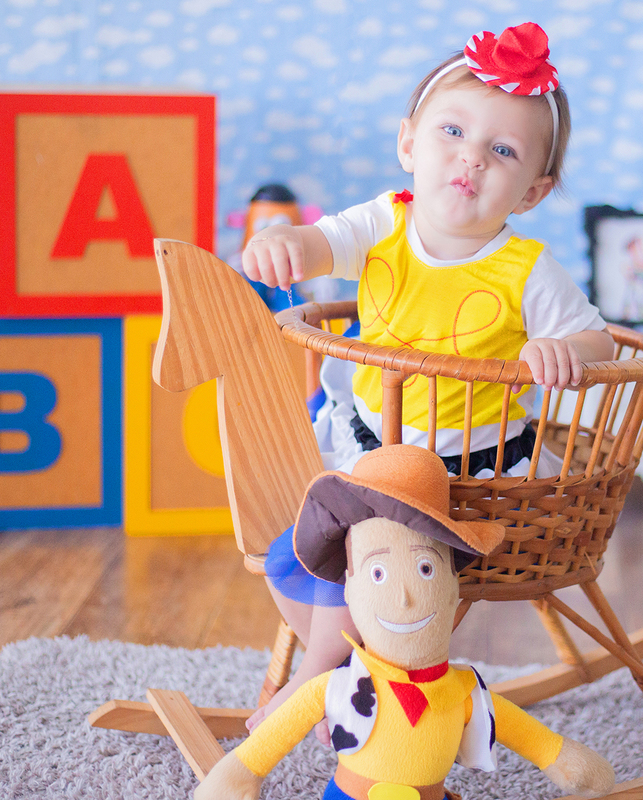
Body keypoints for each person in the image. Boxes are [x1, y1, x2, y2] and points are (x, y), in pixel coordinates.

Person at [241, 22, 614, 731]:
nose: (470, 159)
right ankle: (366, 657)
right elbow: (323, 241)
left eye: (501, 151)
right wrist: (287, 240)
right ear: (409, 142)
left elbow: (594, 336)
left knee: (355, 538)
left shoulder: (526, 270)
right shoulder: (385, 222)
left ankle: (317, 678)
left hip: (460, 477)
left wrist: (566, 352)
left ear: (532, 191)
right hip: (360, 444)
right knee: (290, 560)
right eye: (452, 132)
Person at [194, 445, 615, 800]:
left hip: (473, 455)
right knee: (286, 560)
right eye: (376, 577)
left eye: (429, 573)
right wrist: (243, 770)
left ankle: (320, 662)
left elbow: (521, 731)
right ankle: (321, 663)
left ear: (451, 577)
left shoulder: (462, 691)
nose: (405, 597)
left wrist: (560, 758)